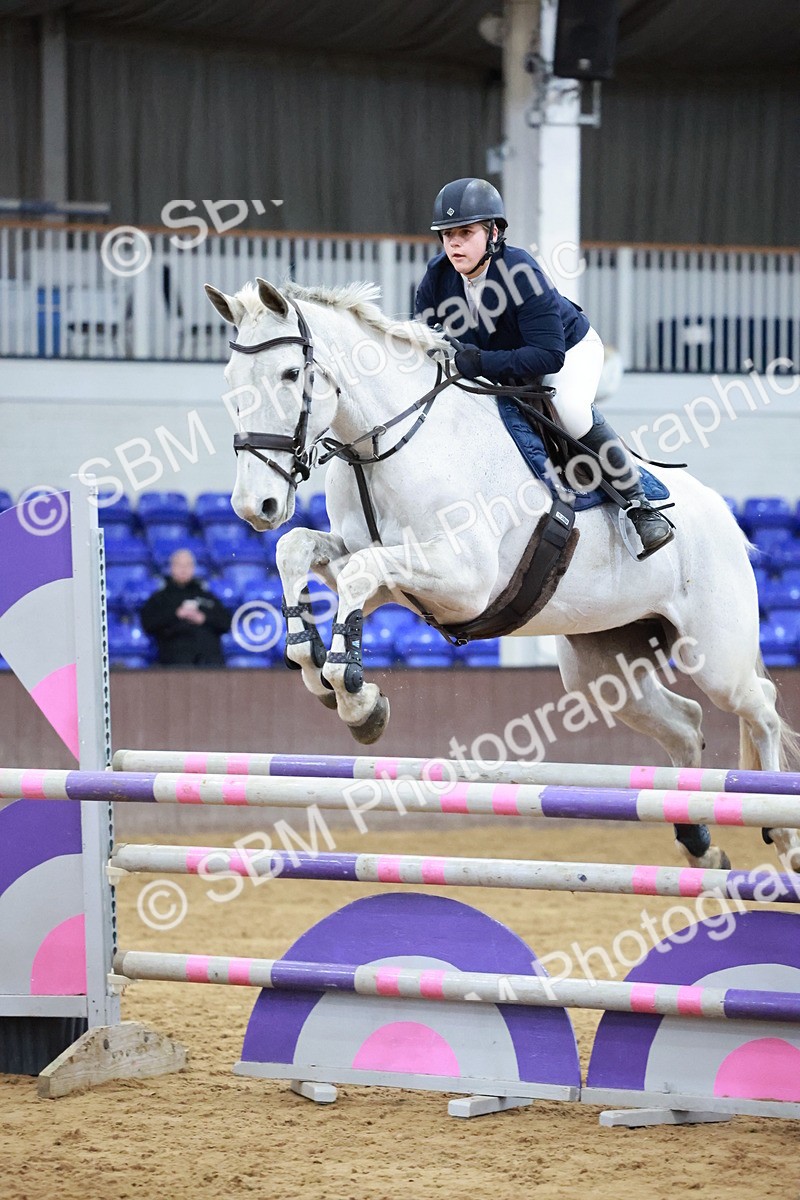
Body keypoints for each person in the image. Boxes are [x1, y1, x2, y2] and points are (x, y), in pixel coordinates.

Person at [414, 177, 673, 557]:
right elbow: (422, 336)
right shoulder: (438, 277)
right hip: (502, 364)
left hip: (569, 350)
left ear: (493, 232)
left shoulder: (521, 273)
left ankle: (639, 507)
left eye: (465, 233)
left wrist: (480, 361)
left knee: (570, 410)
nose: (453, 243)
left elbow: (549, 356)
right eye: (447, 234)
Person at [140, 549, 232, 666]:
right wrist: (176, 614)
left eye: (188, 565)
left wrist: (204, 618)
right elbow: (148, 624)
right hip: (174, 663)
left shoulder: (207, 596)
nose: (183, 569)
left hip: (209, 664)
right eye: (179, 565)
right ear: (171, 567)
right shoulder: (160, 598)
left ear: (193, 568)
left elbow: (226, 623)